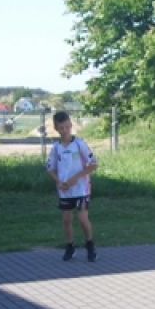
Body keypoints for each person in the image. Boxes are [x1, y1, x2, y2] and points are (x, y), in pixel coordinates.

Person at [45, 110, 98, 262]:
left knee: (82, 219)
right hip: (65, 191)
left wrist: (76, 178)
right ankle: (70, 246)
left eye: (67, 127)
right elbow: (50, 168)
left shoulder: (80, 144)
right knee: (67, 220)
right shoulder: (56, 148)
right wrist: (58, 181)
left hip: (81, 189)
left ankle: (90, 245)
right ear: (56, 128)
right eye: (61, 128)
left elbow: (93, 165)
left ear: (71, 125)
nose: (65, 130)